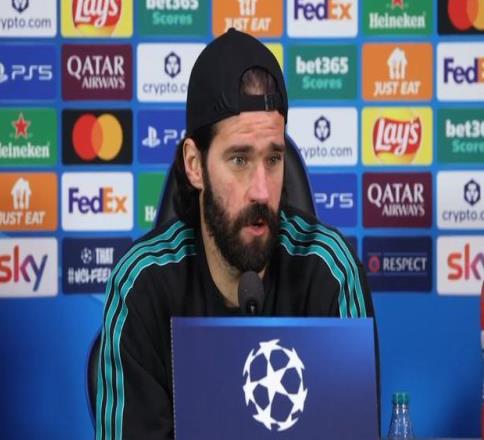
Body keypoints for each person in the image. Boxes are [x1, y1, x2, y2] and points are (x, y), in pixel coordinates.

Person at [96, 28, 376, 440]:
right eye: (240, 159)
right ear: (195, 165)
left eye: (273, 159)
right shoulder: (142, 284)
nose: (262, 190)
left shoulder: (330, 271)